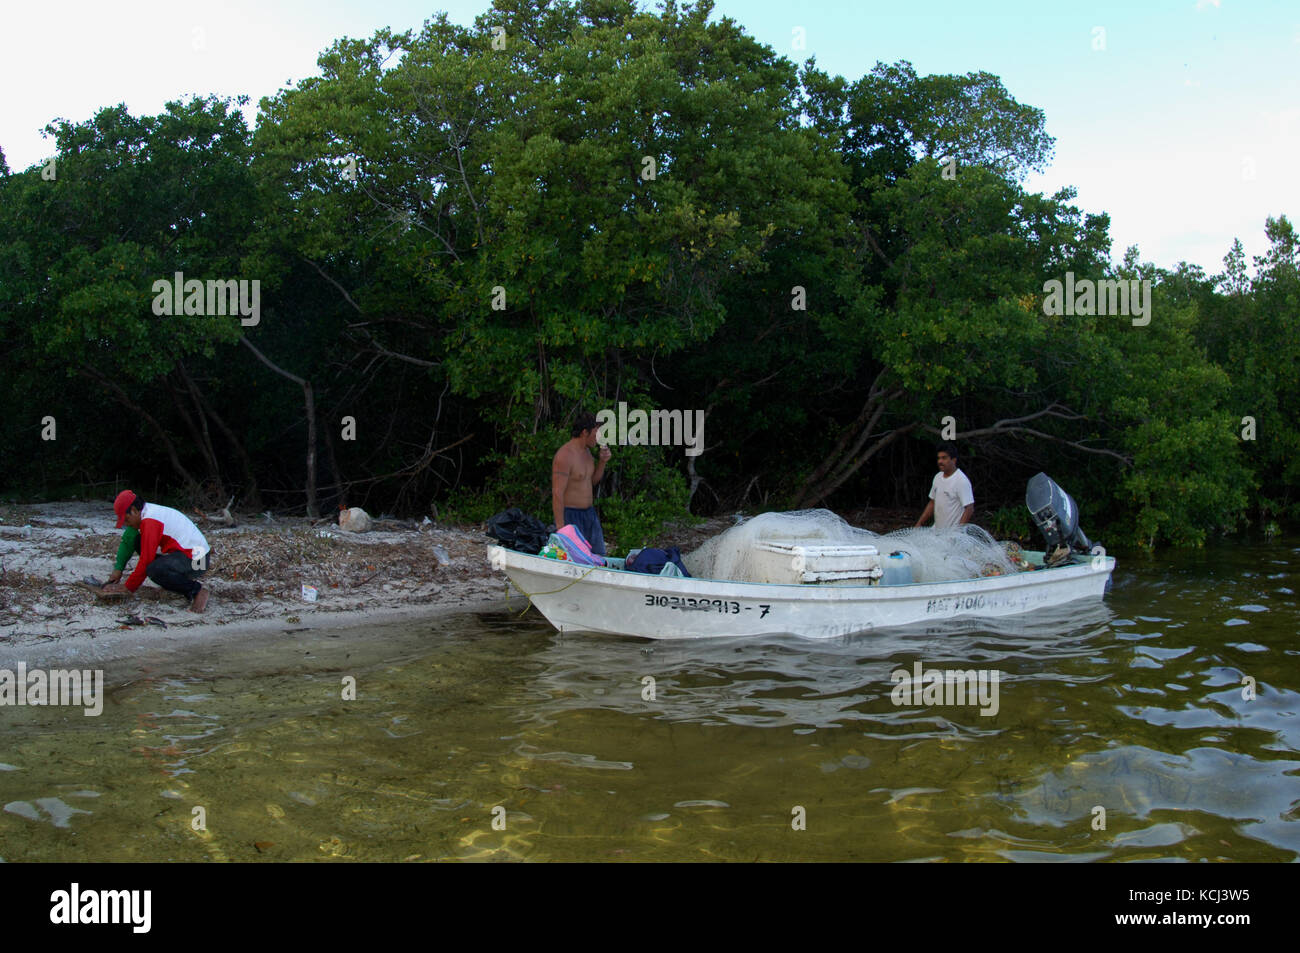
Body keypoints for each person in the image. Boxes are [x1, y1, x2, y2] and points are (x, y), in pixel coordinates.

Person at [99, 490, 212, 613]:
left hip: (199, 561)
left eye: (126, 520)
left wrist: (128, 587)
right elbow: (128, 541)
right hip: (193, 555)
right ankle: (177, 581)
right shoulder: (147, 513)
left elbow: (146, 560)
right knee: (139, 542)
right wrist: (118, 569)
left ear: (134, 510)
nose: (127, 524)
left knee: (154, 569)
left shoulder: (150, 521)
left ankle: (197, 591)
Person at [552, 412, 611, 556]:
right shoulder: (564, 456)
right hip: (571, 515)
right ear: (585, 432)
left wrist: (602, 462)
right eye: (596, 432)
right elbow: (557, 493)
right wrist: (561, 529)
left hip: (590, 514)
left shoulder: (588, 453)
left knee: (599, 557)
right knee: (576, 559)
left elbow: (591, 482)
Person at [915, 442, 974, 529]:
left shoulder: (961, 480)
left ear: (953, 460)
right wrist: (919, 523)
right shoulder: (937, 477)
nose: (940, 461)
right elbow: (932, 503)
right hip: (937, 532)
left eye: (944, 458)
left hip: (952, 536)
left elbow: (969, 508)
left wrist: (958, 532)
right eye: (939, 458)